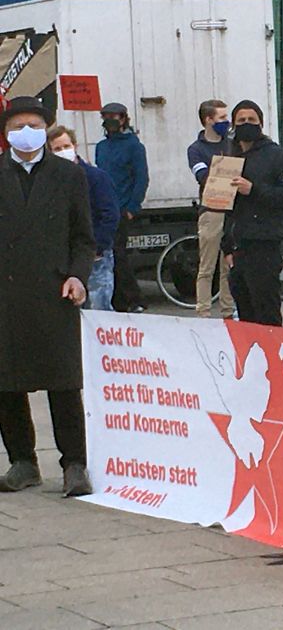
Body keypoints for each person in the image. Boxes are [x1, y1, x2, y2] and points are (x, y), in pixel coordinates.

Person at [0, 96, 95, 496]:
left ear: (46, 129)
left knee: (63, 381)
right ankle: (23, 461)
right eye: (18, 125)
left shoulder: (68, 175)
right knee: (6, 382)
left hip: (54, 291)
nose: (26, 132)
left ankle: (74, 463)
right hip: (5, 293)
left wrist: (77, 275)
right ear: (6, 133)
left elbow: (82, 237)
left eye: (34, 125)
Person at [221, 99, 283, 327]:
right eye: (241, 120)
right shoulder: (231, 157)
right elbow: (228, 208)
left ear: (261, 124)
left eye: (251, 120)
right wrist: (227, 246)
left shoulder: (277, 156)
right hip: (239, 247)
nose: (246, 124)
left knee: (266, 312)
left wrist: (254, 190)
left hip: (264, 244)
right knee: (245, 313)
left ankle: (273, 358)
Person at [48, 126, 120, 311]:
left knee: (99, 308)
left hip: (96, 259)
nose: (63, 151)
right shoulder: (50, 182)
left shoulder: (96, 177)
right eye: (57, 149)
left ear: (74, 145)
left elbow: (109, 214)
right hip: (65, 257)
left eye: (66, 146)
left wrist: (96, 247)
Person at [95, 101, 149, 313]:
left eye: (114, 116)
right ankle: (118, 299)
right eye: (106, 116)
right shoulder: (101, 147)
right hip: (103, 208)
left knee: (118, 254)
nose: (110, 121)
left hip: (121, 209)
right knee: (106, 254)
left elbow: (141, 178)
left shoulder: (134, 146)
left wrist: (132, 207)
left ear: (124, 119)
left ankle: (134, 299)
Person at [187, 99, 235, 319]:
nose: (227, 122)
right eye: (222, 117)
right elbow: (204, 178)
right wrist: (226, 172)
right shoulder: (196, 149)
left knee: (229, 265)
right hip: (212, 210)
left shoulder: (232, 144)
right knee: (207, 266)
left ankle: (228, 311)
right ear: (208, 119)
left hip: (234, 210)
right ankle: (203, 311)